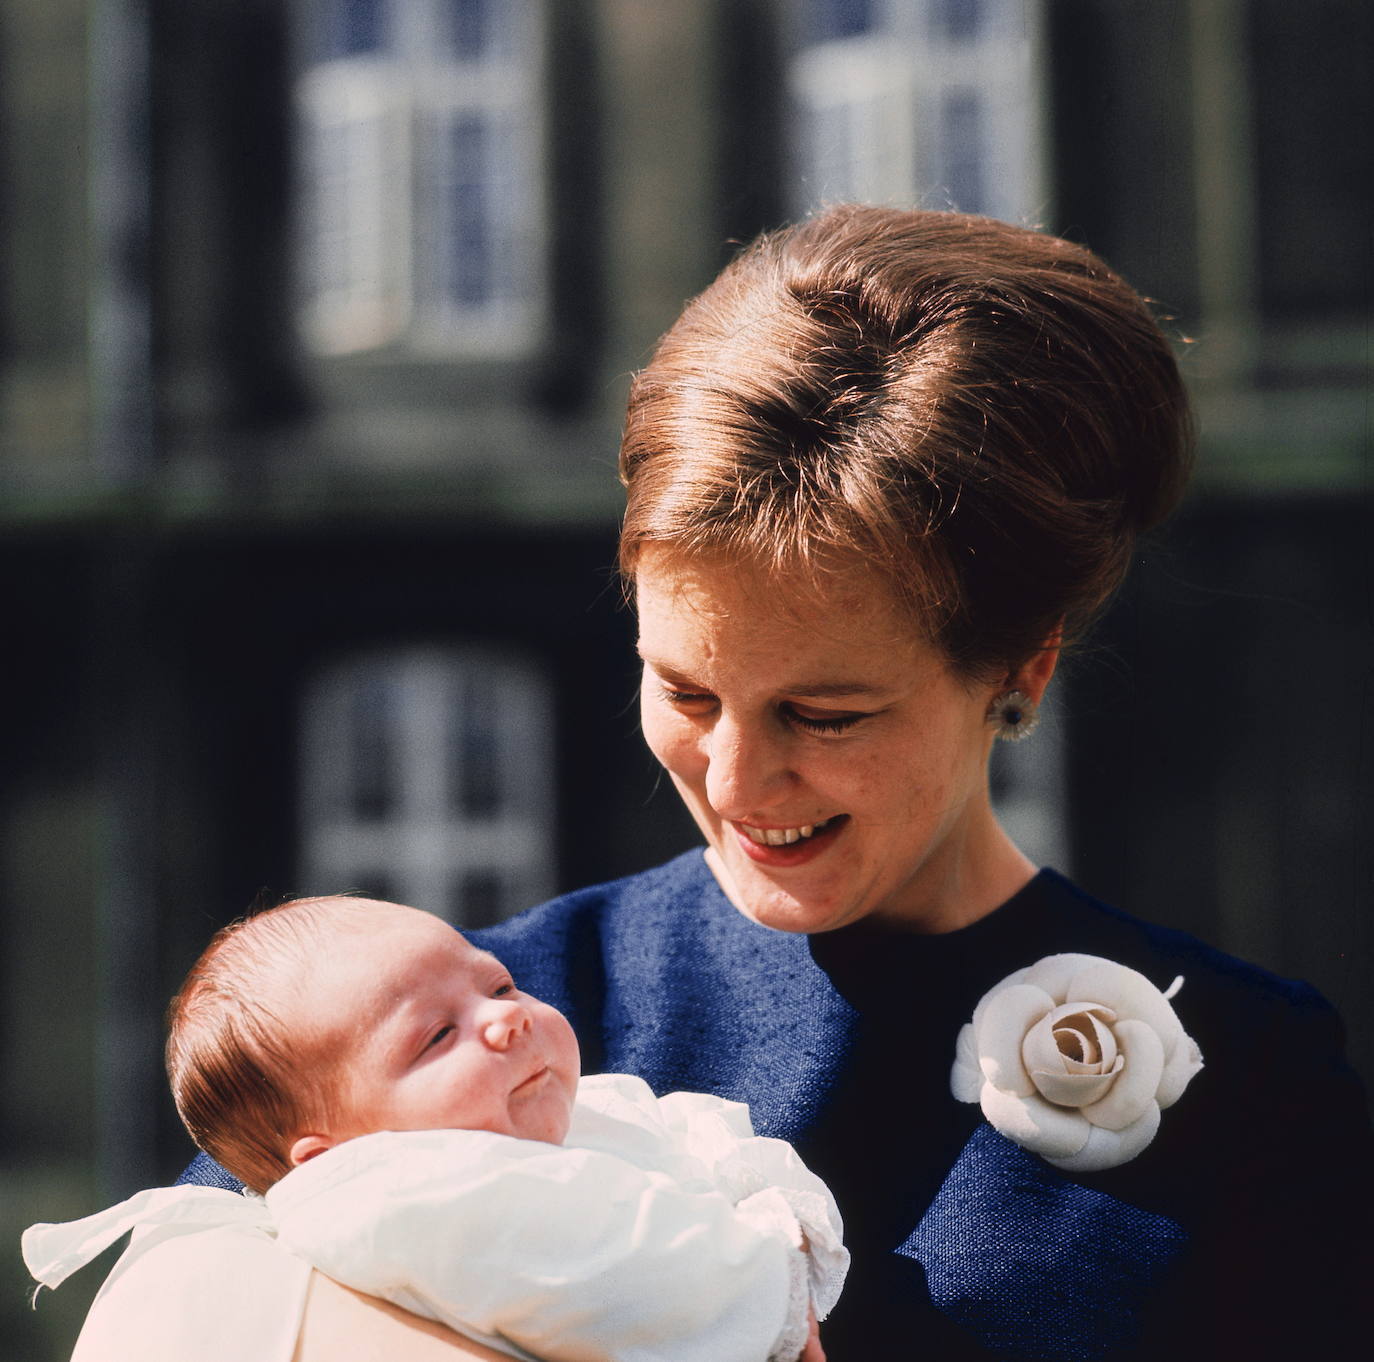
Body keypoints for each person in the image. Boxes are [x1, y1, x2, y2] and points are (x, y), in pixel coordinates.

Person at [117, 204, 1374, 1356]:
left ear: (1022, 668)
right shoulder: (425, 1037)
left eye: (825, 713)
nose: (734, 776)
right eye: (686, 692)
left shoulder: (1255, 1084)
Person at [25, 897, 846, 1362]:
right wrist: (769, 1270)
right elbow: (612, 1269)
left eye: (499, 984)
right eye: (436, 1036)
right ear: (335, 1156)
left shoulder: (591, 1111)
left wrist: (772, 1210)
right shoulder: (395, 1200)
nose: (505, 1021)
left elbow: (708, 1137)